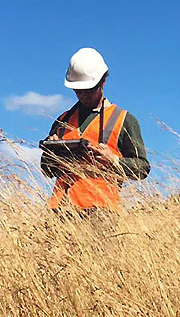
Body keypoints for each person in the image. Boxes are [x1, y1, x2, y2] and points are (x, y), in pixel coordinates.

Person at [40, 47, 149, 212]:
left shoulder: (124, 120)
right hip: (59, 212)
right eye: (78, 91)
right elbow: (47, 170)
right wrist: (52, 154)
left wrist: (114, 161)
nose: (83, 95)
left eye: (89, 90)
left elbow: (142, 169)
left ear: (103, 81)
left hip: (101, 213)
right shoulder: (62, 121)